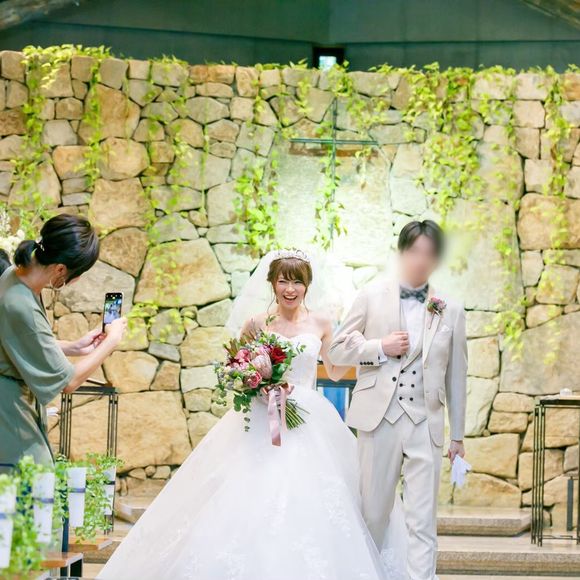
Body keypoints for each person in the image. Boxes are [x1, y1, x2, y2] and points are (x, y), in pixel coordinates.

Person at [97, 249, 407, 580]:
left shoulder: (322, 322)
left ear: (307, 285)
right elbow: (236, 367)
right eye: (283, 281)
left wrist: (370, 350)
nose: (290, 289)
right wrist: (254, 383)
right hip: (260, 417)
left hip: (306, 416)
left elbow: (334, 371)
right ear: (272, 283)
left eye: (298, 282)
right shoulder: (257, 323)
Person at [329, 219, 468, 580]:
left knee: (423, 521)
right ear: (402, 252)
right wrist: (379, 347)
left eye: (429, 253)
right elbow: (336, 350)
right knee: (373, 515)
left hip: (426, 423)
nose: (421, 259)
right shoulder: (371, 295)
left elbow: (456, 375)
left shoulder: (450, 309)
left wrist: (457, 436)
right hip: (379, 420)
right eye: (415, 251)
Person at [0, 214, 127, 467]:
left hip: (11, 405)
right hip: (9, 411)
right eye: (78, 274)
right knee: (34, 478)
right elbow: (68, 382)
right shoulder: (21, 304)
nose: (76, 280)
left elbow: (16, 341)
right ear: (60, 269)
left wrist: (74, 346)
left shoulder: (14, 276)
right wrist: (111, 341)